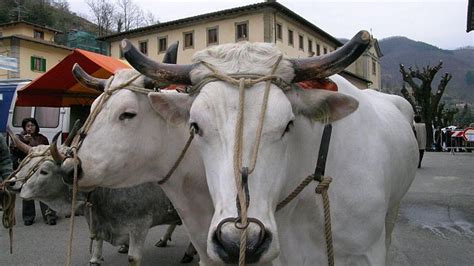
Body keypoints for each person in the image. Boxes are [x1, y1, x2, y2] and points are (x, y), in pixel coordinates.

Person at [10, 118, 58, 226]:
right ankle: (28, 217)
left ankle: (49, 215)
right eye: (27, 126)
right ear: (24, 127)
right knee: (27, 190)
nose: (30, 128)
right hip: (27, 169)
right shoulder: (19, 138)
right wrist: (25, 141)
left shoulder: (43, 138)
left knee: (45, 191)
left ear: (36, 126)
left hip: (41, 168)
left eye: (32, 125)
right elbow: (13, 150)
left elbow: (47, 152)